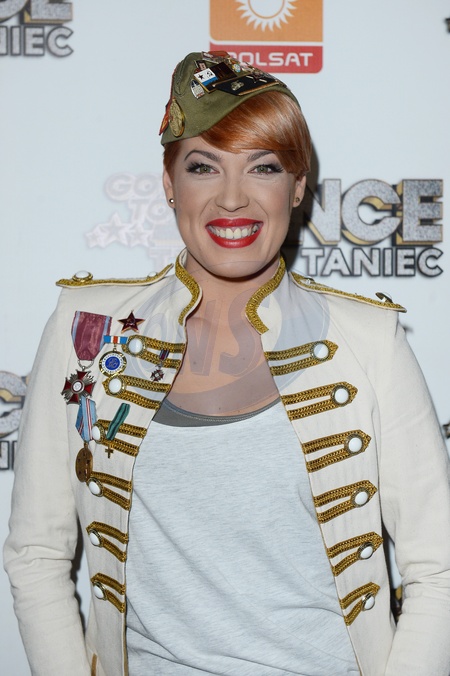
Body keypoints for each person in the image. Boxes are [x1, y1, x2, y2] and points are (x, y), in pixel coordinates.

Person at [4, 50, 450, 676]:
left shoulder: (370, 341)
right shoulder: (87, 331)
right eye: (203, 167)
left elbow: (438, 568)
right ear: (169, 182)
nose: (233, 199)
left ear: (298, 186)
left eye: (263, 167)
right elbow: (37, 555)